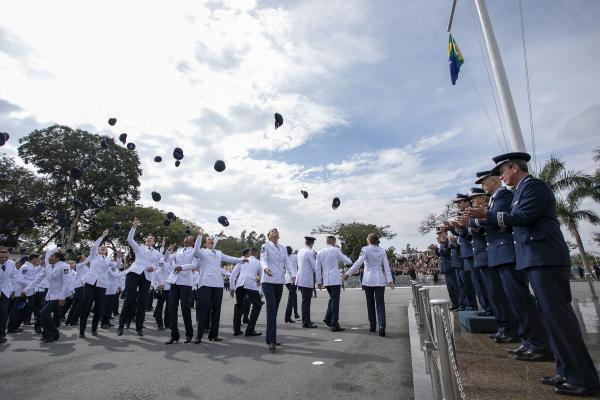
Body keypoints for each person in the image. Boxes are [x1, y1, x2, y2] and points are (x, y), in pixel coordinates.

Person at [467, 152, 600, 396]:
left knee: (559, 318)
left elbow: (523, 217)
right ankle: (565, 370)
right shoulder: (520, 191)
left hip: (545, 257)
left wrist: (487, 216)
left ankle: (582, 377)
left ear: (515, 167)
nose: (501, 176)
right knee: (551, 318)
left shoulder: (534, 186)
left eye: (503, 172)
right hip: (535, 258)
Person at [193, 228, 241, 344]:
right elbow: (195, 250)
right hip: (205, 284)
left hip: (218, 284)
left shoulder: (218, 253)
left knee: (216, 310)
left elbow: (230, 258)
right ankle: (199, 335)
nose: (211, 241)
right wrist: (200, 236)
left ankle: (213, 334)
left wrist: (242, 260)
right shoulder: (202, 252)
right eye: (209, 240)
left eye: (212, 240)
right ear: (205, 243)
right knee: (204, 310)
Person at [343, 233, 394, 337]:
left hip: (368, 280)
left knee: (370, 304)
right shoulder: (382, 250)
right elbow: (386, 266)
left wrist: (348, 273)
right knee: (380, 304)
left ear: (369, 240)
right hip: (380, 280)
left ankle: (372, 325)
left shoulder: (365, 249)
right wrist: (390, 280)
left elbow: (358, 262)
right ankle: (382, 327)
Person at [117, 218, 161, 337]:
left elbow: (157, 264)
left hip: (146, 276)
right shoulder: (139, 247)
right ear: (145, 241)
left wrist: (154, 268)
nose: (149, 239)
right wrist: (134, 227)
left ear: (154, 242)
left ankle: (139, 327)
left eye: (151, 238)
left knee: (143, 302)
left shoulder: (157, 253)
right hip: (134, 273)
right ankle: (121, 325)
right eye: (148, 238)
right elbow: (130, 239)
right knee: (129, 299)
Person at [21, 248, 70, 342]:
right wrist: (26, 290)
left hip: (59, 296)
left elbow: (66, 282)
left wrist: (62, 296)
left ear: (57, 258)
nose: (49, 258)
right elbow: (37, 280)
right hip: (50, 295)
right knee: (43, 314)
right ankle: (48, 334)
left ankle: (53, 334)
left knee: (44, 313)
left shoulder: (64, 266)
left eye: (51, 256)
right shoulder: (48, 267)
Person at [260, 228, 296, 351]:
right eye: (272, 231)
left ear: (278, 235)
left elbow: (287, 262)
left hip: (279, 281)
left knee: (274, 311)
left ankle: (269, 337)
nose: (274, 232)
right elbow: (263, 259)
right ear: (269, 236)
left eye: (276, 231)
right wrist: (265, 268)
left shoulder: (283, 248)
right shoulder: (265, 246)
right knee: (271, 308)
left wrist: (293, 274)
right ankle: (272, 340)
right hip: (268, 281)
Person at [164, 235, 198, 344]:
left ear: (193, 242)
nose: (186, 238)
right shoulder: (178, 250)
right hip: (174, 281)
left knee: (185, 308)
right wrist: (168, 251)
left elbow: (194, 265)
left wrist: (181, 267)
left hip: (186, 283)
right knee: (172, 307)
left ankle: (189, 334)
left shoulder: (194, 251)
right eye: (186, 237)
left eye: (189, 237)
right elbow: (167, 259)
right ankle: (174, 335)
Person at [79, 230, 112, 338]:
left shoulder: (108, 260)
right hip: (90, 283)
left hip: (101, 285)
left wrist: (120, 256)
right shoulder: (93, 256)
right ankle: (82, 331)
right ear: (98, 250)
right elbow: (94, 246)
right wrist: (103, 236)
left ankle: (94, 329)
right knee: (86, 306)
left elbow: (116, 265)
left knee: (98, 308)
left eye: (104, 248)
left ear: (106, 251)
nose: (102, 249)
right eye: (101, 248)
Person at [315, 236, 352, 332]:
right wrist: (346, 258)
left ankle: (328, 318)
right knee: (335, 302)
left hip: (326, 280)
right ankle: (334, 324)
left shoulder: (320, 252)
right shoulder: (335, 250)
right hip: (335, 279)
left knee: (332, 299)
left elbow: (317, 268)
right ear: (333, 241)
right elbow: (347, 261)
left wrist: (319, 282)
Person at [230, 248, 263, 337]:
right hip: (251, 284)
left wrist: (232, 288)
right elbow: (262, 278)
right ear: (256, 254)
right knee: (257, 305)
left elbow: (233, 274)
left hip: (240, 284)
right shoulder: (258, 262)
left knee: (238, 306)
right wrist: (261, 291)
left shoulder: (242, 260)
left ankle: (236, 330)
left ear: (249, 253)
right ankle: (250, 330)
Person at [7, 253, 41, 332]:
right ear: (33, 259)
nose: (38, 260)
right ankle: (12, 327)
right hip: (21, 293)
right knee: (18, 311)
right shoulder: (25, 267)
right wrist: (31, 284)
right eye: (37, 259)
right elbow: (19, 279)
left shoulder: (31, 267)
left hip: (27, 293)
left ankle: (16, 326)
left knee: (23, 311)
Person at [296, 236, 318, 328]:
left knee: (305, 301)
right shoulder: (309, 252)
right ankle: (306, 322)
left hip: (301, 278)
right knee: (306, 302)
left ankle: (307, 320)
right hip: (306, 279)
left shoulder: (300, 251)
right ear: (312, 243)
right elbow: (314, 266)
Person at [65, 255, 89, 326]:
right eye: (84, 257)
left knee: (76, 304)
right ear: (80, 259)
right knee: (79, 304)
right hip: (79, 286)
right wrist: (92, 255)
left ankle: (69, 321)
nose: (85, 258)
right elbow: (88, 260)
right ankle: (73, 320)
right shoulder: (79, 265)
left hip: (82, 286)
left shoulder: (86, 267)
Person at [152, 250, 172, 332]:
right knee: (160, 306)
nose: (171, 253)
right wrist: (161, 283)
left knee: (169, 307)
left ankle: (167, 323)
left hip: (171, 287)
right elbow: (158, 272)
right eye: (169, 251)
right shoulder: (162, 260)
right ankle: (159, 323)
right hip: (163, 287)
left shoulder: (173, 261)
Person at [0, 248, 16, 343]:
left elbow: (13, 277)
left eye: (6, 257)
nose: (4, 259)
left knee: (3, 312)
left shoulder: (11, 264)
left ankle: (1, 334)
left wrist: (13, 290)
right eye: (1, 257)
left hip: (5, 291)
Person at [284, 247, 299, 323]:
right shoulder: (294, 256)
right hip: (293, 279)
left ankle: (296, 313)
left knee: (294, 296)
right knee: (291, 299)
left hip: (287, 280)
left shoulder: (284, 257)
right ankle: (287, 317)